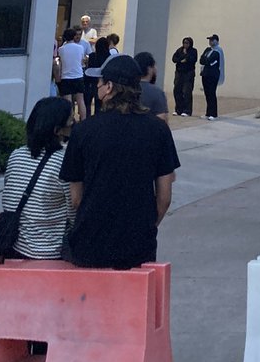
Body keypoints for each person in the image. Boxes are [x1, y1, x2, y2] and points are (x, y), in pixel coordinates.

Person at [60, 55, 180, 270]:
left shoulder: (84, 130)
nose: (96, 87)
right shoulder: (158, 130)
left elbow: (76, 198)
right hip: (138, 242)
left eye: (99, 82)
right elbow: (164, 197)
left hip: (90, 239)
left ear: (109, 87)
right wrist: (147, 226)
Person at [1, 97, 74, 259]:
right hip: (49, 251)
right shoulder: (64, 161)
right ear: (58, 130)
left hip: (13, 244)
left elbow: (9, 198)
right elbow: (73, 211)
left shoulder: (16, 155)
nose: (73, 123)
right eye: (71, 120)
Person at [57, 27, 88, 122]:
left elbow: (60, 62)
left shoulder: (61, 49)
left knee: (68, 101)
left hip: (66, 77)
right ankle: (83, 120)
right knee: (80, 100)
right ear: (74, 36)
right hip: (78, 75)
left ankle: (69, 120)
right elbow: (82, 60)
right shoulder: (80, 48)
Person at [135, 52, 169, 121]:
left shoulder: (125, 90)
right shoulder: (157, 93)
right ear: (150, 69)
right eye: (154, 66)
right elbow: (162, 121)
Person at [83, 36, 110, 118]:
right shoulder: (108, 57)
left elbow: (89, 68)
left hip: (90, 82)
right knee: (99, 104)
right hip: (102, 83)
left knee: (87, 103)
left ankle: (87, 120)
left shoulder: (92, 56)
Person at [171, 37, 198, 116]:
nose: (185, 44)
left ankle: (187, 110)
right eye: (184, 43)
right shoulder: (179, 50)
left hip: (188, 73)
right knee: (177, 90)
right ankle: (178, 109)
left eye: (187, 43)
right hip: (179, 73)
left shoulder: (193, 51)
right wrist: (181, 59)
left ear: (190, 44)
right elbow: (174, 59)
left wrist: (185, 57)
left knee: (187, 92)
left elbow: (192, 60)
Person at [200, 34, 224, 119]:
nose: (210, 42)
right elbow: (201, 60)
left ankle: (213, 113)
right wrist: (206, 61)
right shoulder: (207, 49)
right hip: (205, 74)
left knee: (211, 93)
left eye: (212, 40)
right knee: (207, 94)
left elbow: (209, 61)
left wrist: (206, 60)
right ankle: (208, 112)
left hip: (213, 75)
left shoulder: (218, 51)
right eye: (209, 40)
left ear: (216, 41)